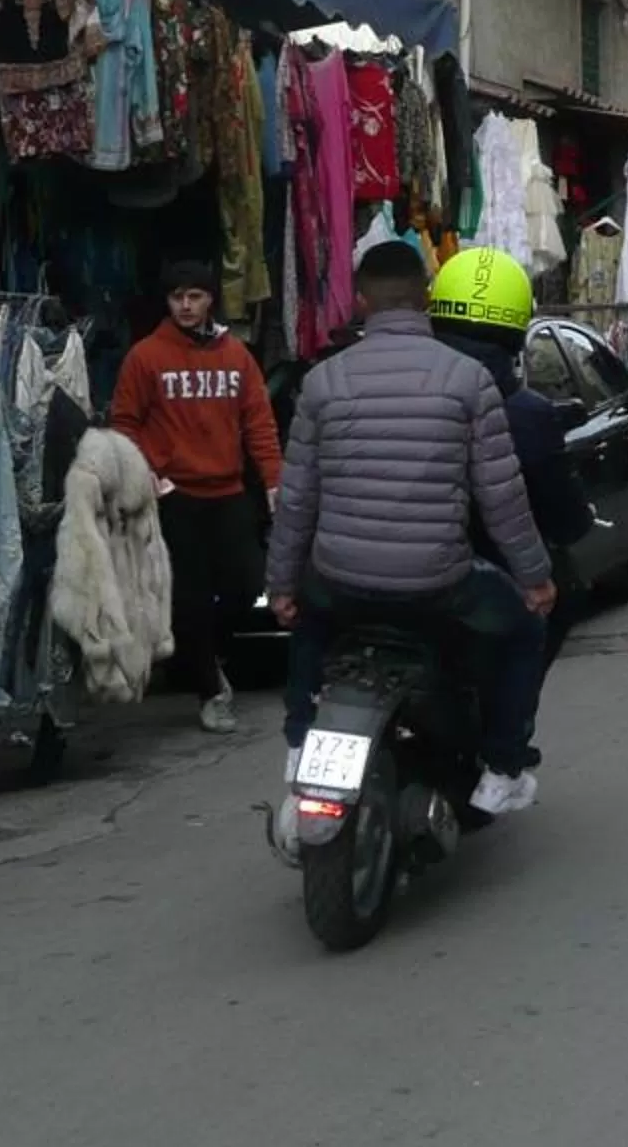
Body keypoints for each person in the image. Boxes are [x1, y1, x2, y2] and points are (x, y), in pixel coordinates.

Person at [266, 241, 557, 821]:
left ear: (360, 300)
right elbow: (500, 496)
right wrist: (536, 580)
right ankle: (502, 768)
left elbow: (296, 498)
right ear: (425, 298)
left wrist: (281, 587)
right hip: (437, 583)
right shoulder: (468, 379)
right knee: (524, 629)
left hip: (340, 580)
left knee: (309, 619)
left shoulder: (322, 383)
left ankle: (301, 737)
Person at [426, 246, 594, 790]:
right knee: (550, 605)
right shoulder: (524, 414)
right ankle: (505, 748)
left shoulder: (388, 391)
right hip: (473, 575)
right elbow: (553, 518)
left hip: (349, 569)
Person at [110, 259, 283, 734]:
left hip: (228, 491)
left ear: (210, 299)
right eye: (176, 298)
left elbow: (259, 424)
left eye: (194, 296)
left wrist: (273, 482)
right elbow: (124, 423)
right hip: (174, 496)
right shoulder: (145, 357)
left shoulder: (237, 355)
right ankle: (211, 689)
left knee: (247, 586)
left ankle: (206, 656)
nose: (185, 306)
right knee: (187, 598)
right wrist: (148, 474)